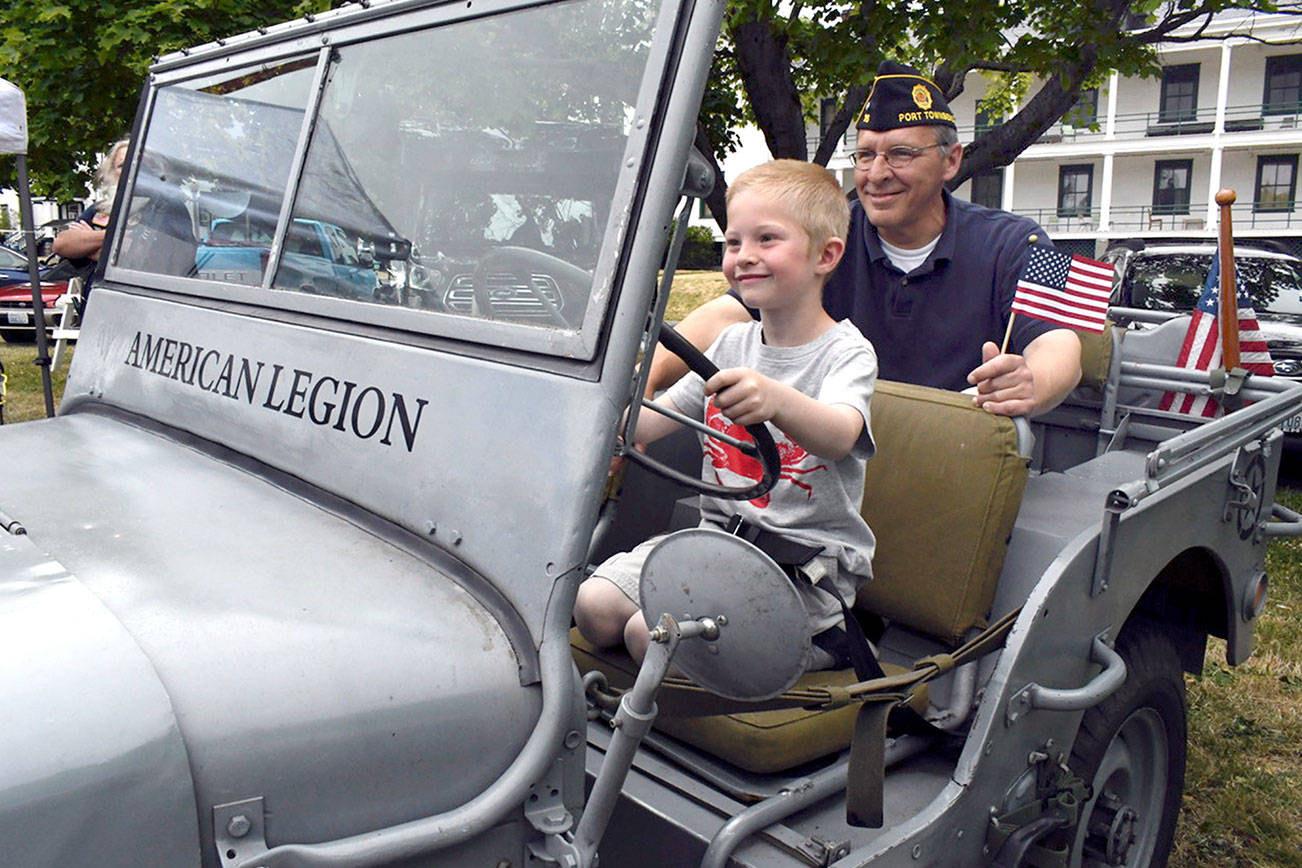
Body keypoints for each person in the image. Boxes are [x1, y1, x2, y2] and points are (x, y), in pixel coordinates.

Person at [648, 62, 1082, 419]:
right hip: (820, 446)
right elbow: (731, 311)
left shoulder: (1020, 241)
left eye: (900, 154)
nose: (876, 175)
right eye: (866, 155)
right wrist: (645, 378)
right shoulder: (829, 232)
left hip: (952, 459)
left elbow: (1062, 344)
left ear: (951, 160)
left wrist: (1031, 382)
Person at [575, 160, 878, 670]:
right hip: (715, 542)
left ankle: (829, 640)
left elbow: (841, 434)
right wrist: (613, 417)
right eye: (733, 242)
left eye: (766, 239)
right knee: (593, 608)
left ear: (826, 255)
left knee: (648, 637)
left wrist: (777, 400)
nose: (744, 257)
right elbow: (656, 420)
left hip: (799, 565)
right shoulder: (732, 343)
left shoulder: (846, 353)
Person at [52, 138, 129, 301]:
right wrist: (117, 235)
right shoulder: (100, 209)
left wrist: (90, 243)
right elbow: (61, 244)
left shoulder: (163, 210)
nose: (129, 169)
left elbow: (139, 257)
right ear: (111, 172)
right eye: (122, 165)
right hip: (97, 303)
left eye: (136, 163)